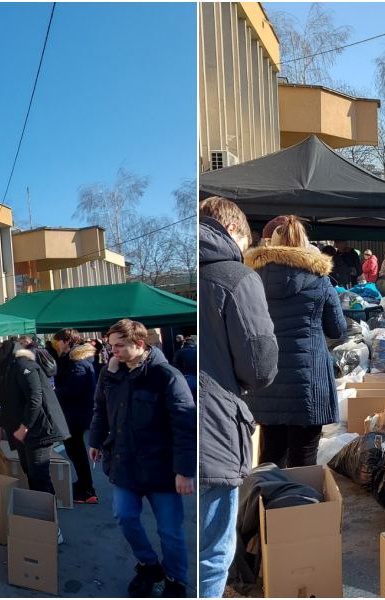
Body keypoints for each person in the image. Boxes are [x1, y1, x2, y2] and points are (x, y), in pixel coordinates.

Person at [197, 199, 278, 599]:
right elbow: (260, 366)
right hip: (212, 431)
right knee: (212, 552)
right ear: (236, 232)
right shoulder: (237, 277)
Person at [89, 319, 196, 598]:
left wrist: (185, 470)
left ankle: (176, 579)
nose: (112, 351)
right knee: (124, 515)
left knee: (170, 532)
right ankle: (148, 564)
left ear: (139, 344)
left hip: (161, 468)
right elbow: (100, 409)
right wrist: (96, 440)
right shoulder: (110, 373)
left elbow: (185, 425)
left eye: (119, 346)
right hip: (125, 463)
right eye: (111, 346)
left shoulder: (166, 376)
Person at [244, 215, 345, 468]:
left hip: (267, 383)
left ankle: (264, 507)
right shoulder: (320, 280)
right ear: (305, 244)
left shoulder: (252, 280)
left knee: (270, 460)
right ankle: (301, 507)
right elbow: (337, 330)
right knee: (304, 463)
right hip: (308, 384)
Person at [0, 339, 70, 497]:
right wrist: (0, 426)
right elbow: (9, 403)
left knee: (38, 474)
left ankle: (47, 517)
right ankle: (41, 511)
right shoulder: (8, 370)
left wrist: (24, 426)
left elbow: (35, 399)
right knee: (30, 470)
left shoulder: (23, 365)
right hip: (27, 429)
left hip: (40, 429)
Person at [52, 328, 100, 504]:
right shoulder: (75, 359)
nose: (56, 344)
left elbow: (75, 388)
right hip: (75, 413)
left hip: (75, 414)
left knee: (77, 452)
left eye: (58, 341)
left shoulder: (76, 361)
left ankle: (87, 490)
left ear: (66, 341)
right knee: (75, 452)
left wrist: (55, 391)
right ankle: (84, 485)